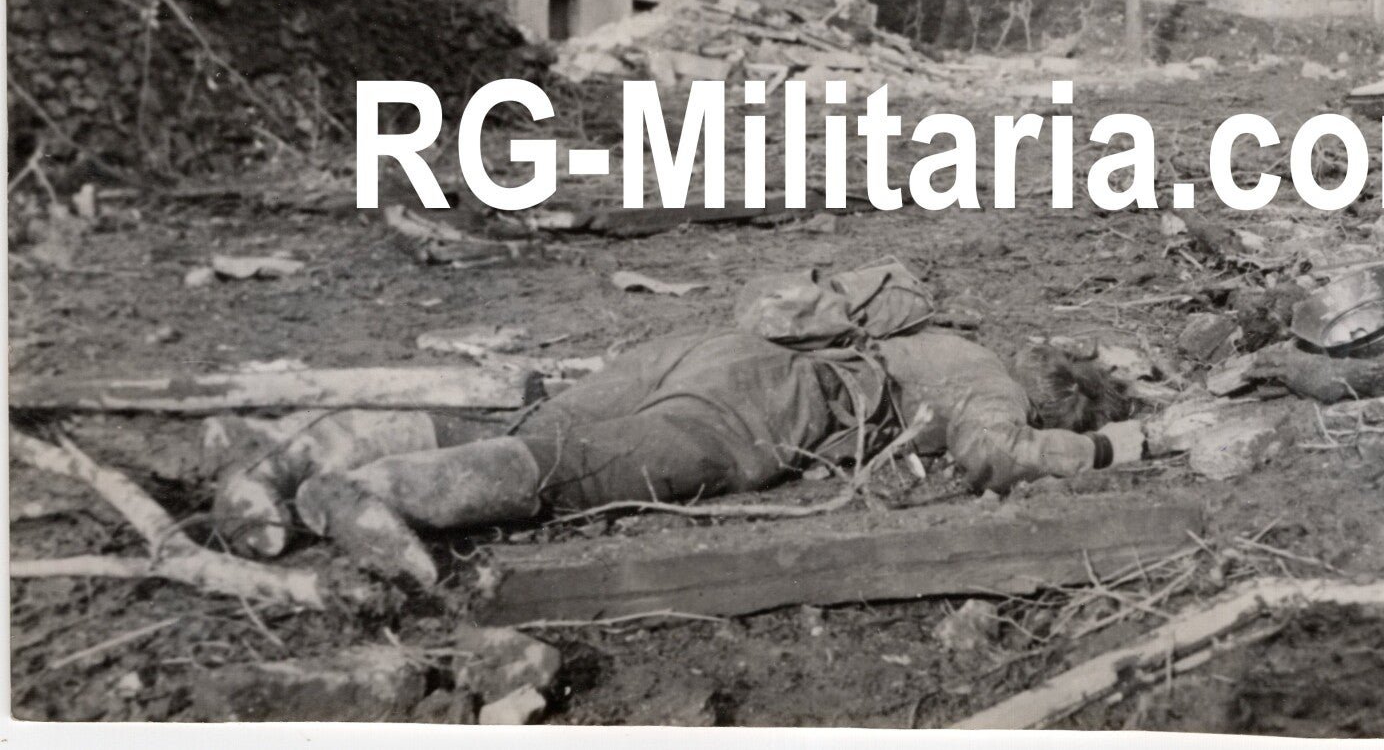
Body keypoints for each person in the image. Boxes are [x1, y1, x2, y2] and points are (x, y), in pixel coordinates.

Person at [208, 263, 1144, 588]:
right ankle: (373, 496)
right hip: (769, 404)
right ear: (1060, 391)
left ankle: (288, 462)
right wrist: (1117, 446)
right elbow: (1000, 454)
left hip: (705, 350)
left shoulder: (921, 327)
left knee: (541, 420)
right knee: (575, 465)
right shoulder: (990, 378)